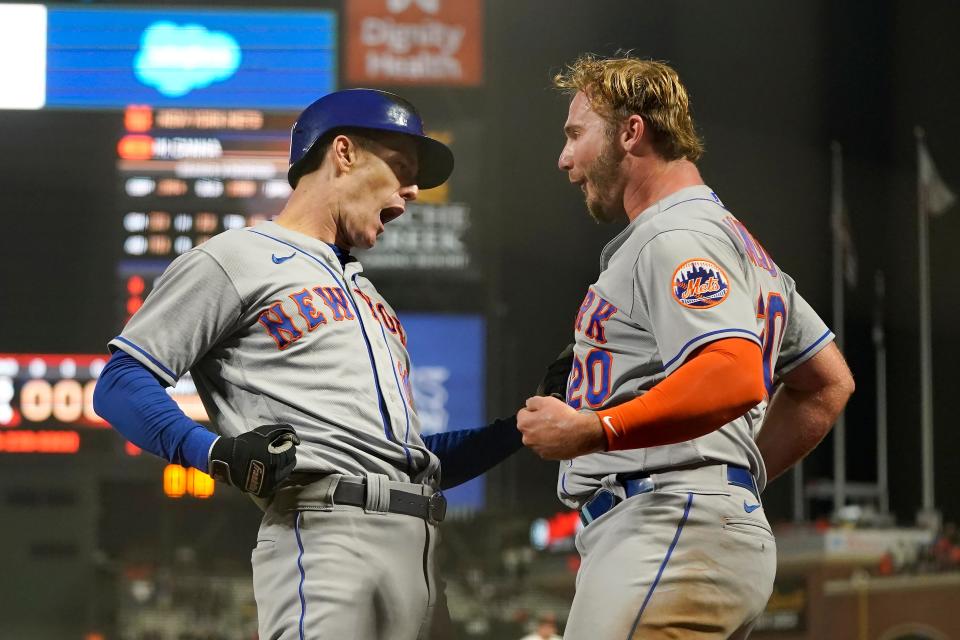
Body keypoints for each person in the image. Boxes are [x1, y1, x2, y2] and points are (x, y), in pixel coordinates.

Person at [94, 88, 524, 640]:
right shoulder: (233, 258)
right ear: (342, 152)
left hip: (420, 546)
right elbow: (121, 381)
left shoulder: (373, 300)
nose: (413, 192)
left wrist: (516, 431)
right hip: (325, 533)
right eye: (399, 168)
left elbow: (405, 459)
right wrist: (214, 452)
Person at [517, 54, 855, 639]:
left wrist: (594, 432)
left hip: (664, 528)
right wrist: (736, 479)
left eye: (576, 134)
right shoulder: (738, 244)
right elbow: (826, 383)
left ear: (631, 131)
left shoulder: (675, 234)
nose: (565, 158)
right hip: (692, 524)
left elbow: (733, 374)